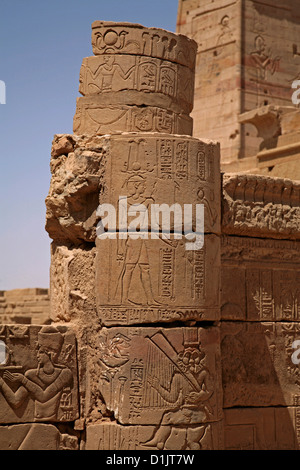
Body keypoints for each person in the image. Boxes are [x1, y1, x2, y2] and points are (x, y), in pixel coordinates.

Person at [0, 326, 73, 421]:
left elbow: (43, 396)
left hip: (49, 424)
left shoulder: (64, 374)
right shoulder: (31, 374)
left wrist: (23, 380)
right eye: (37, 351)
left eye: (41, 352)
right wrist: (1, 381)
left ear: (51, 354)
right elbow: (15, 401)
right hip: (36, 421)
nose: (37, 355)